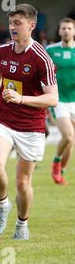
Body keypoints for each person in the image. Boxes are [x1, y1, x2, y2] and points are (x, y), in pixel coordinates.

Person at [0, 4, 58, 240]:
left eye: (18, 23)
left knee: (23, 182)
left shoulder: (41, 58)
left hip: (31, 126)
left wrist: (22, 98)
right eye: (10, 23)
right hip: (3, 119)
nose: (12, 27)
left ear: (31, 26)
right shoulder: (3, 51)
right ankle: (3, 205)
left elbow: (53, 98)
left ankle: (22, 224)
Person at [47, 18, 75, 185]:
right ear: (59, 31)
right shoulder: (51, 50)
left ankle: (61, 171)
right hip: (59, 101)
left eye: (69, 28)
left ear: (73, 31)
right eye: (63, 28)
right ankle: (56, 162)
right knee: (69, 137)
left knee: (70, 144)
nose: (66, 31)